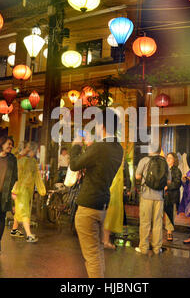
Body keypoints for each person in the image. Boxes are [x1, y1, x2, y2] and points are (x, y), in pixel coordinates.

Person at [70, 109, 123, 278]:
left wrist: (76, 145)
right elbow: (99, 166)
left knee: (91, 255)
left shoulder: (100, 148)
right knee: (97, 251)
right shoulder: (118, 148)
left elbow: (74, 164)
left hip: (88, 205)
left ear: (102, 126)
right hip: (102, 204)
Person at [134, 145, 170, 255]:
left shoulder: (144, 160)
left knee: (145, 223)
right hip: (159, 197)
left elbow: (137, 176)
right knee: (158, 223)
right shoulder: (165, 162)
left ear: (150, 150)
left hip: (146, 196)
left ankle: (144, 248)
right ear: (159, 151)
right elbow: (168, 181)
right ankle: (157, 248)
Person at [11, 142, 46, 242]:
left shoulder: (31, 161)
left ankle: (14, 229)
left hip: (24, 190)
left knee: (20, 209)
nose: (33, 152)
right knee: (25, 211)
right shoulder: (22, 161)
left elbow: (36, 176)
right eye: (32, 150)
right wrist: (14, 190)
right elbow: (17, 177)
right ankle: (29, 234)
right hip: (21, 191)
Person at [102, 157, 125, 250]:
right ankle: (105, 241)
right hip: (111, 196)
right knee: (108, 218)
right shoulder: (115, 167)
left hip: (108, 194)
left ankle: (104, 240)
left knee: (106, 218)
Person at [164, 152, 182, 241]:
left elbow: (177, 183)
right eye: (167, 157)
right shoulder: (163, 169)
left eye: (170, 158)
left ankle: (169, 232)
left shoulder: (177, 171)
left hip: (172, 196)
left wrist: (168, 186)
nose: (168, 159)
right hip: (162, 195)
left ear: (174, 160)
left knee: (169, 214)